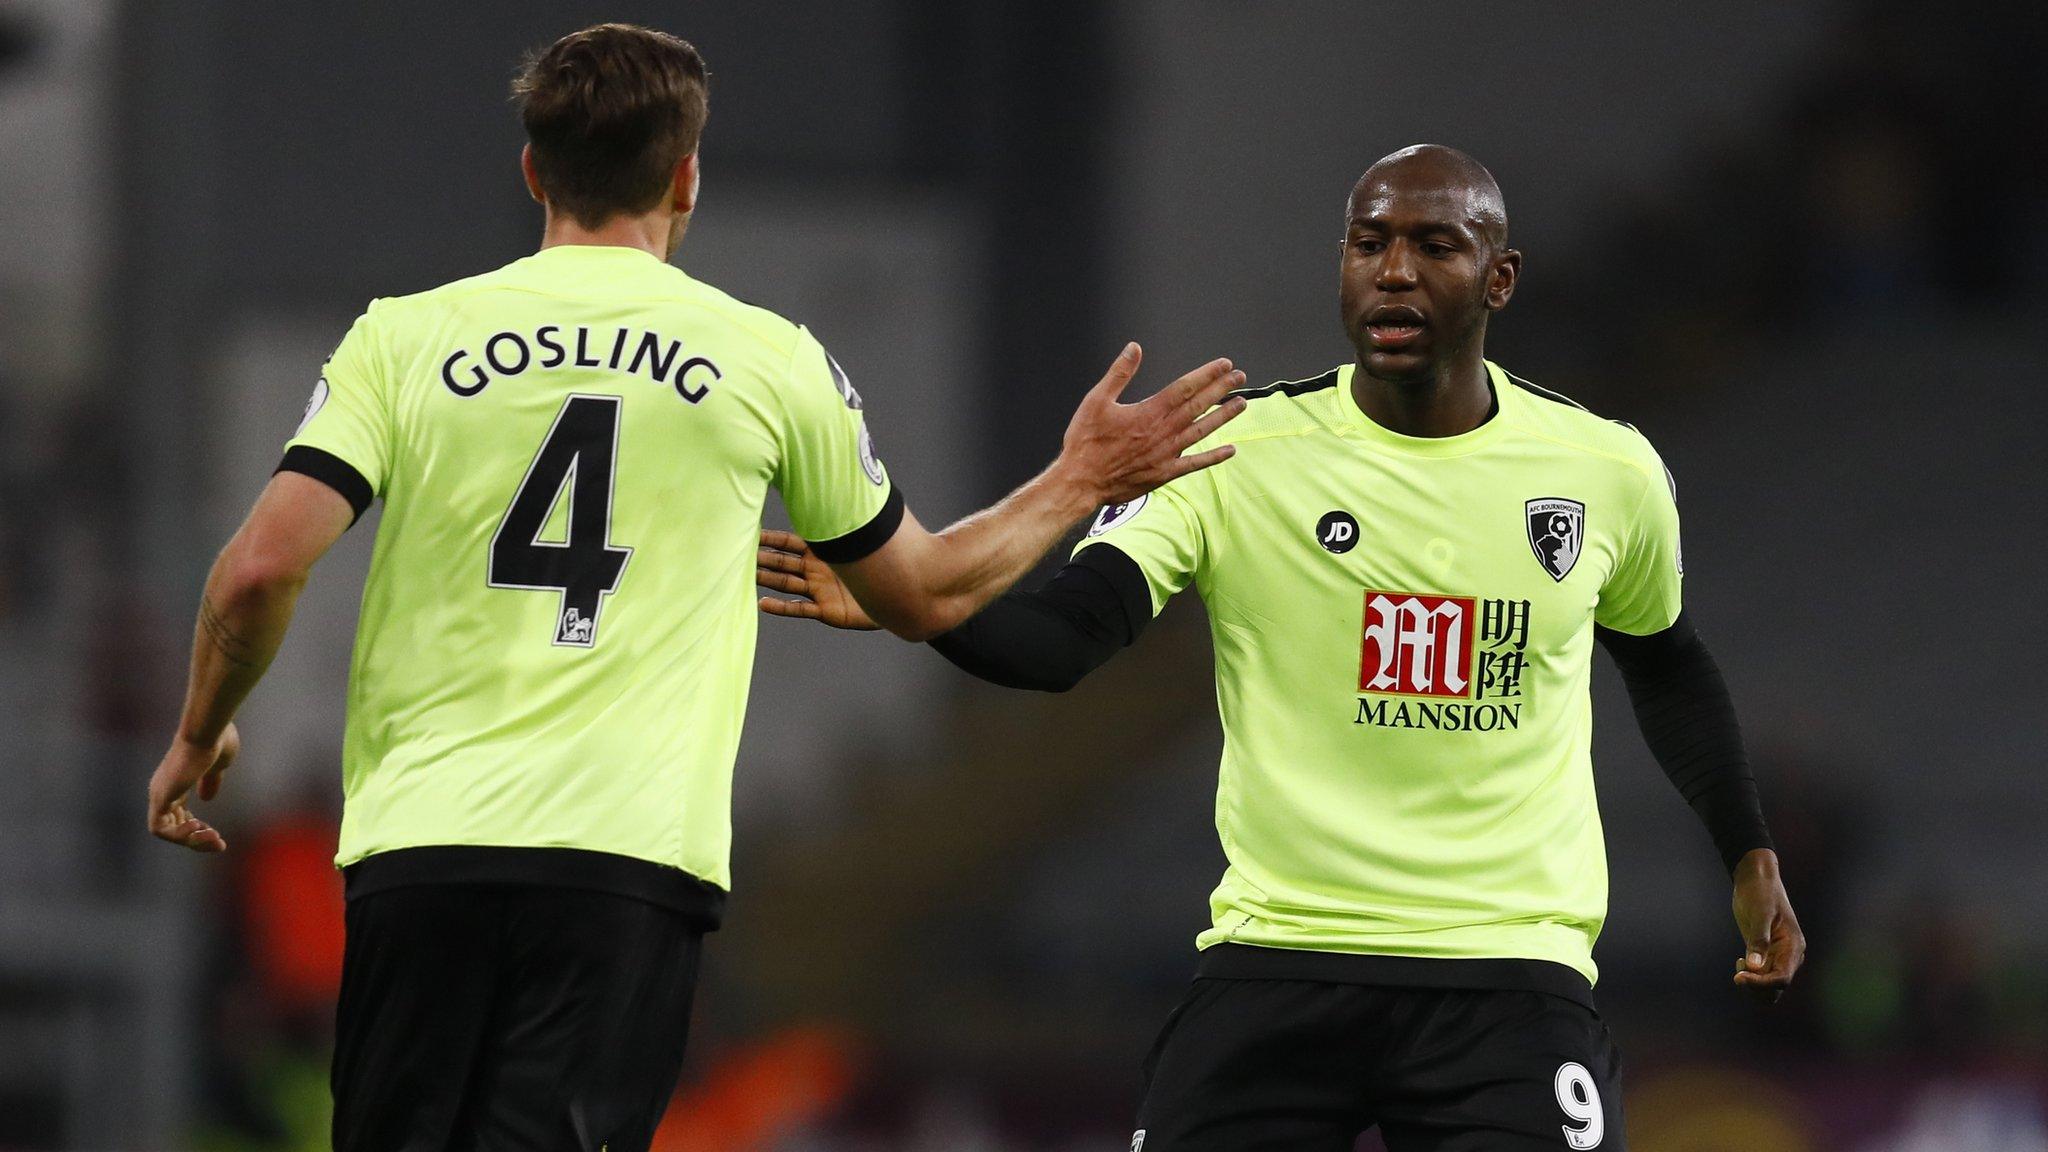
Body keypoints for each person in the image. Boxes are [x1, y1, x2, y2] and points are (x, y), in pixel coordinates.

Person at [143, 23, 1246, 1152]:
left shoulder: (405, 340)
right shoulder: (769, 360)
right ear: (685, 176)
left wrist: (201, 728)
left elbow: (261, 567)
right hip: (621, 862)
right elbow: (926, 591)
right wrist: (1078, 481)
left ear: (533, 170)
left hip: (420, 852)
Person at [757, 144, 1806, 1151]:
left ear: (1499, 278)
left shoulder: (1602, 470)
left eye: (1434, 246)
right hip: (1278, 963)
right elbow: (1056, 643)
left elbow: (1663, 660)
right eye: (1366, 242)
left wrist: (1745, 850)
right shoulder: (1228, 453)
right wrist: (923, 603)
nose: (1392, 270)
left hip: (1506, 975)